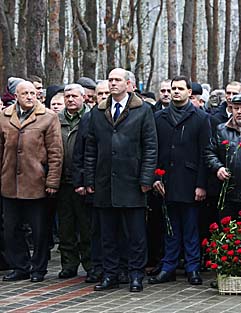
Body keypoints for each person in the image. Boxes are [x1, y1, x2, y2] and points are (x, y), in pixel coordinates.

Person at [84, 67, 157, 292]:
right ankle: (110, 274)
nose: (113, 83)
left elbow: (150, 147)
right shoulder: (98, 112)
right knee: (107, 234)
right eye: (110, 80)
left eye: (117, 80)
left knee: (135, 234)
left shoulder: (142, 110)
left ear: (128, 84)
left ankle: (135, 274)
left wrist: (146, 178)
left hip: (132, 182)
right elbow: (90, 149)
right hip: (105, 182)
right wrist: (90, 179)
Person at [150, 75, 211, 286]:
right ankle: (169, 266)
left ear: (189, 92)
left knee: (191, 227)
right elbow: (153, 150)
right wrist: (155, 177)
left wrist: (202, 184)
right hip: (166, 181)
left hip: (190, 181)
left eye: (180, 89)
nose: (175, 92)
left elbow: (206, 153)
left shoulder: (201, 118)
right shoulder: (159, 117)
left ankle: (193, 268)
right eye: (173, 88)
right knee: (169, 227)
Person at [0, 81, 63, 282]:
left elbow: (56, 152)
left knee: (39, 230)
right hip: (9, 183)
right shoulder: (4, 117)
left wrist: (52, 181)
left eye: (32, 93)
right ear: (16, 96)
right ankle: (20, 266)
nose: (29, 96)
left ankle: (38, 268)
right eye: (24, 93)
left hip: (36, 182)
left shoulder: (48, 117)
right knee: (11, 229)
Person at [56, 84, 91, 279]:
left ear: (83, 98)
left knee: (86, 226)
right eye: (67, 96)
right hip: (62, 181)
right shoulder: (56, 119)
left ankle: (90, 263)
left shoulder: (90, 118)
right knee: (65, 227)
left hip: (83, 181)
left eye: (74, 96)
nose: (70, 100)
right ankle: (68, 264)